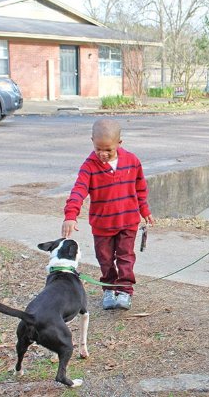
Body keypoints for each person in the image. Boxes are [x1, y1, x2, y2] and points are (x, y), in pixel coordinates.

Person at [61, 119, 155, 311]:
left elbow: (140, 189)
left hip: (128, 221)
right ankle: (109, 289)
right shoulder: (89, 166)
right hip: (102, 225)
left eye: (108, 150)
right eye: (98, 149)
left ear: (119, 143)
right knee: (104, 258)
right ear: (92, 141)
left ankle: (125, 291)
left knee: (125, 256)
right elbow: (79, 190)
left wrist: (145, 210)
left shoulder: (132, 161)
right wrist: (71, 215)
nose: (103, 154)